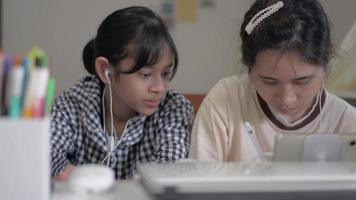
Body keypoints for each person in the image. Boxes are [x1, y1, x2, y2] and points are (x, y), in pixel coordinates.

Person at [189, 0, 356, 162]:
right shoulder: (225, 102)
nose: (286, 99)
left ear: (327, 62)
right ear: (249, 66)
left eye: (302, 81)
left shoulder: (346, 124)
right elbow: (199, 185)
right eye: (269, 81)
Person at [51, 6, 193, 180]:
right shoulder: (73, 103)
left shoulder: (174, 110)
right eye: (146, 74)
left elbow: (166, 175)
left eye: (165, 74)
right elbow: (48, 157)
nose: (159, 88)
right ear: (106, 71)